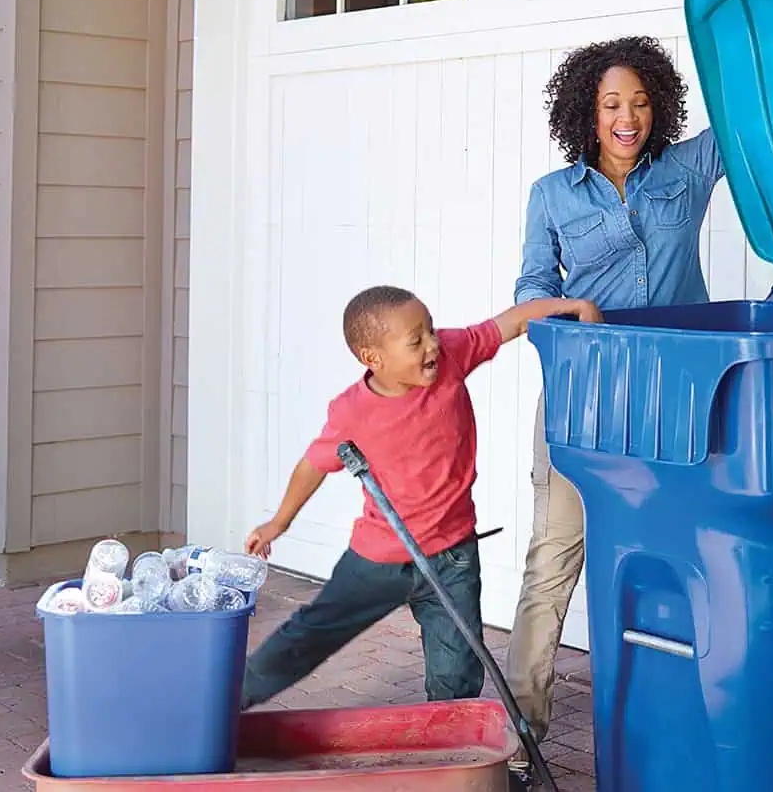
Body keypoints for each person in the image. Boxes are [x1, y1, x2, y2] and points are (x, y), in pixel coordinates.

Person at [505, 34, 728, 770]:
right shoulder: (552, 194)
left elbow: (737, 117)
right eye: (610, 104)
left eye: (638, 101)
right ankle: (520, 734)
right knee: (556, 553)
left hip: (673, 400)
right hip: (584, 394)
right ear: (587, 113)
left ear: (657, 107)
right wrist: (577, 307)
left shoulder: (688, 173)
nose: (626, 116)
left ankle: (677, 716)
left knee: (678, 556)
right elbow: (528, 294)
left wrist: (722, 27)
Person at [239, 284, 601, 712]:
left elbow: (513, 321)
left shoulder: (451, 354)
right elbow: (314, 464)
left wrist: (575, 306)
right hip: (378, 560)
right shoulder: (351, 411)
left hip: (452, 559)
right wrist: (278, 522)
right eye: (416, 340)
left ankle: (451, 757)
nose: (432, 343)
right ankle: (224, 706)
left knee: (457, 671)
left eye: (429, 330)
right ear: (372, 358)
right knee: (308, 635)